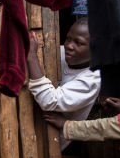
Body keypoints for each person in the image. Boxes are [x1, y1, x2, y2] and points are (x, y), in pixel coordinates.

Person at [26, 16, 101, 150]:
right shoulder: (56, 52)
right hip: (30, 123)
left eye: (78, 43)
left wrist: (31, 57)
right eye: (68, 39)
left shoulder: (92, 80)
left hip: (52, 140)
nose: (69, 46)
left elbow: (49, 100)